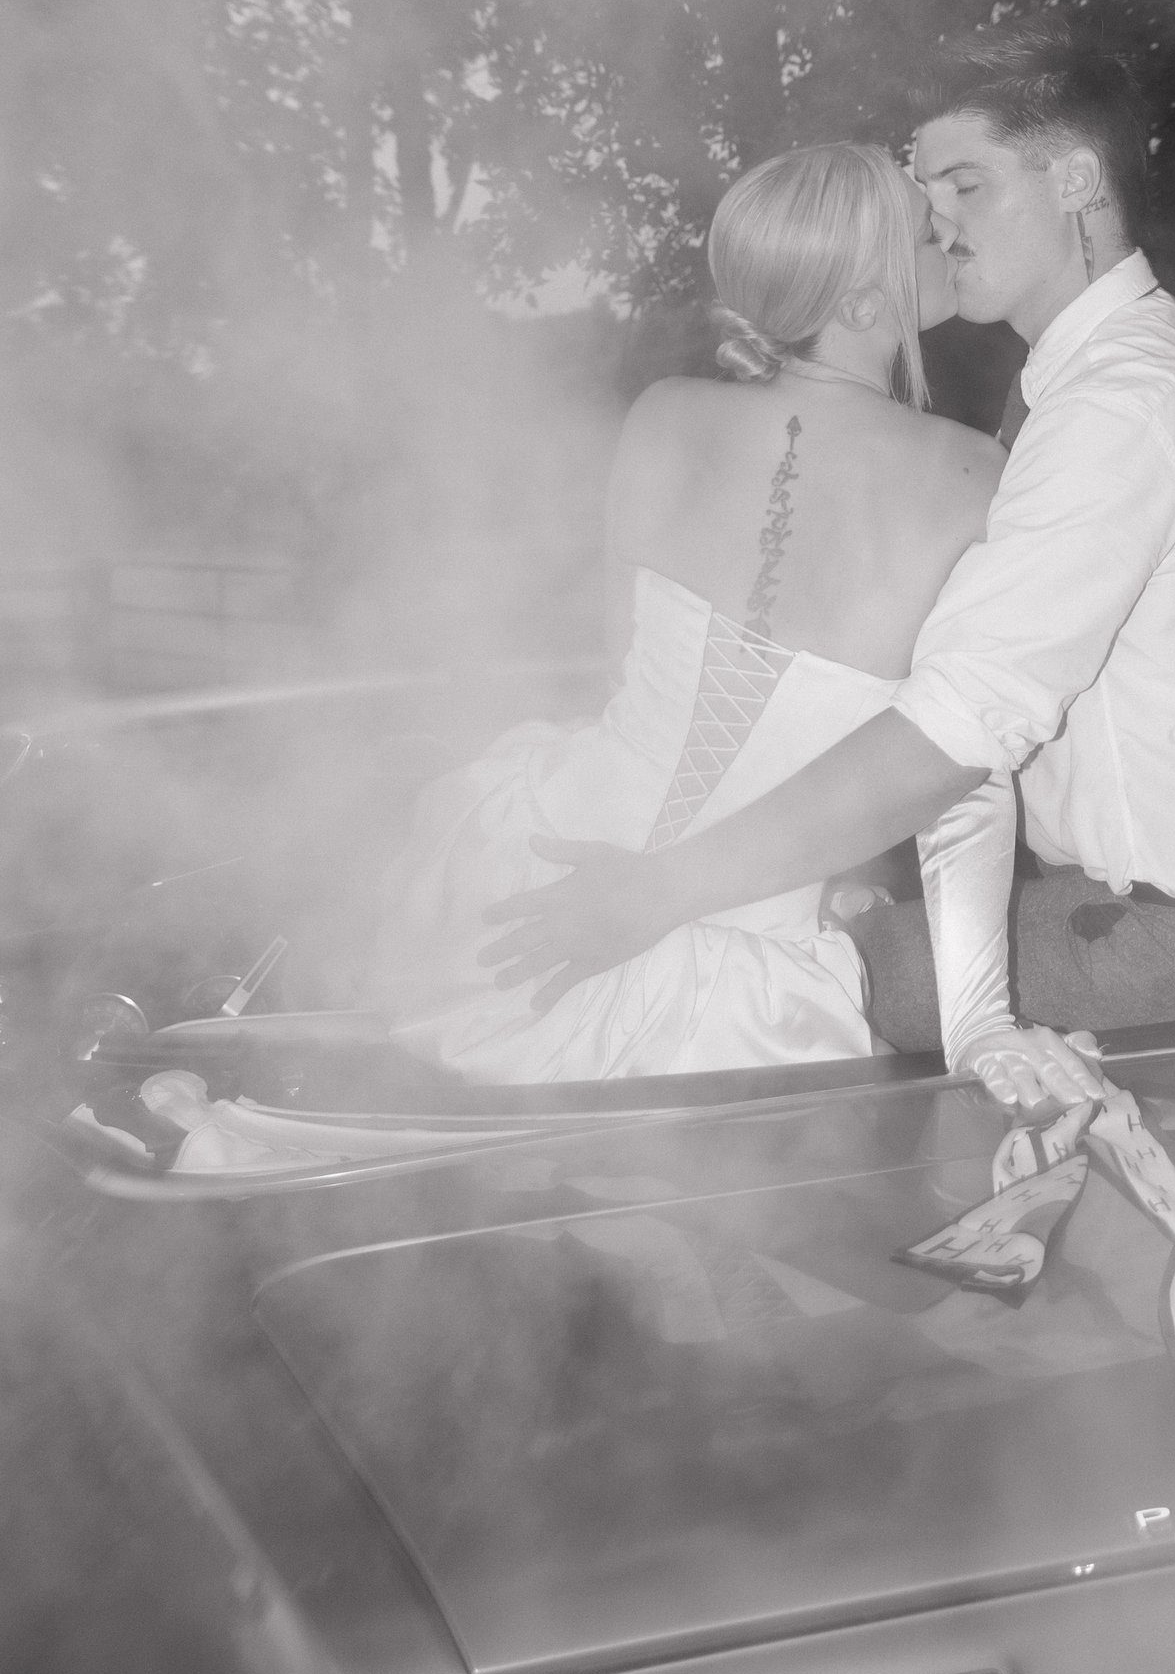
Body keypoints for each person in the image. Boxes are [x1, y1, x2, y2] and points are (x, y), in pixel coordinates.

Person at [482, 30, 1175, 1054]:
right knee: (743, 956)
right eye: (926, 198)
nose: (940, 225)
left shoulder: (1125, 403)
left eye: (966, 187)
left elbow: (957, 732)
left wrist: (656, 894)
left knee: (730, 990)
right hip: (1144, 909)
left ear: (1077, 180)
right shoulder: (1068, 389)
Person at [378, 140, 1063, 1092]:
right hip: (741, 943)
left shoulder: (663, 416)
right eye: (921, 232)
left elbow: (620, 663)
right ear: (866, 305)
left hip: (542, 865)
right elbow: (951, 755)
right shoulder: (972, 478)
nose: (946, 233)